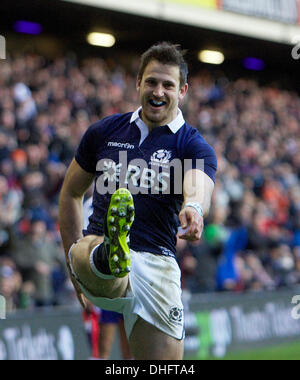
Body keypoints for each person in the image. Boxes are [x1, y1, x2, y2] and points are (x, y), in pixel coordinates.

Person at [59, 42, 217, 360]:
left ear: (182, 90)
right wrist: (71, 263)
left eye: (168, 85)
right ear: (138, 83)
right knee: (89, 250)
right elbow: (70, 192)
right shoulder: (103, 132)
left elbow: (198, 185)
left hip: (157, 265)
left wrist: (194, 208)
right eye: (151, 82)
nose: (158, 91)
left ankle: (102, 259)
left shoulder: (193, 145)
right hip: (97, 254)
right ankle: (107, 256)